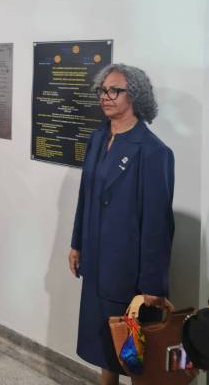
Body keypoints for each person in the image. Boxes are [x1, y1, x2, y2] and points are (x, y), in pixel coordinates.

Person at [69, 63, 175, 385]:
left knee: (134, 355)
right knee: (106, 346)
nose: (106, 96)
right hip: (97, 262)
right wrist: (76, 244)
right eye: (103, 90)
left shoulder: (153, 152)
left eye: (115, 90)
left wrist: (153, 285)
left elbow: (158, 224)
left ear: (135, 96)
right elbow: (85, 196)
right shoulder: (97, 138)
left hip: (128, 271)